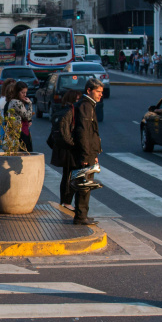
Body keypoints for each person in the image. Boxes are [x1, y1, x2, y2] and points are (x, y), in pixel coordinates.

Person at [72, 78, 104, 225]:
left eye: (101, 92)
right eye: (97, 92)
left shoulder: (89, 105)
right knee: (85, 184)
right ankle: (80, 216)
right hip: (85, 153)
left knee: (86, 184)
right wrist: (86, 155)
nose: (100, 95)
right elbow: (83, 132)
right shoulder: (86, 106)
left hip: (90, 152)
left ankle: (83, 214)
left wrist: (95, 154)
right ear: (89, 91)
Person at [49, 90, 81, 213]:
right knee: (71, 176)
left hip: (61, 148)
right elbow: (67, 133)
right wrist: (74, 145)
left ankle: (65, 201)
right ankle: (67, 202)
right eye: (77, 99)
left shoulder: (61, 110)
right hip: (69, 149)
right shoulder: (70, 111)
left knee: (66, 175)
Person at [6, 81, 34, 151]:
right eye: (22, 92)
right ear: (17, 92)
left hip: (19, 130)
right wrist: (30, 104)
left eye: (25, 92)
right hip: (20, 132)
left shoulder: (13, 101)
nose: (25, 94)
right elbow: (27, 116)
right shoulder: (17, 102)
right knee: (25, 152)